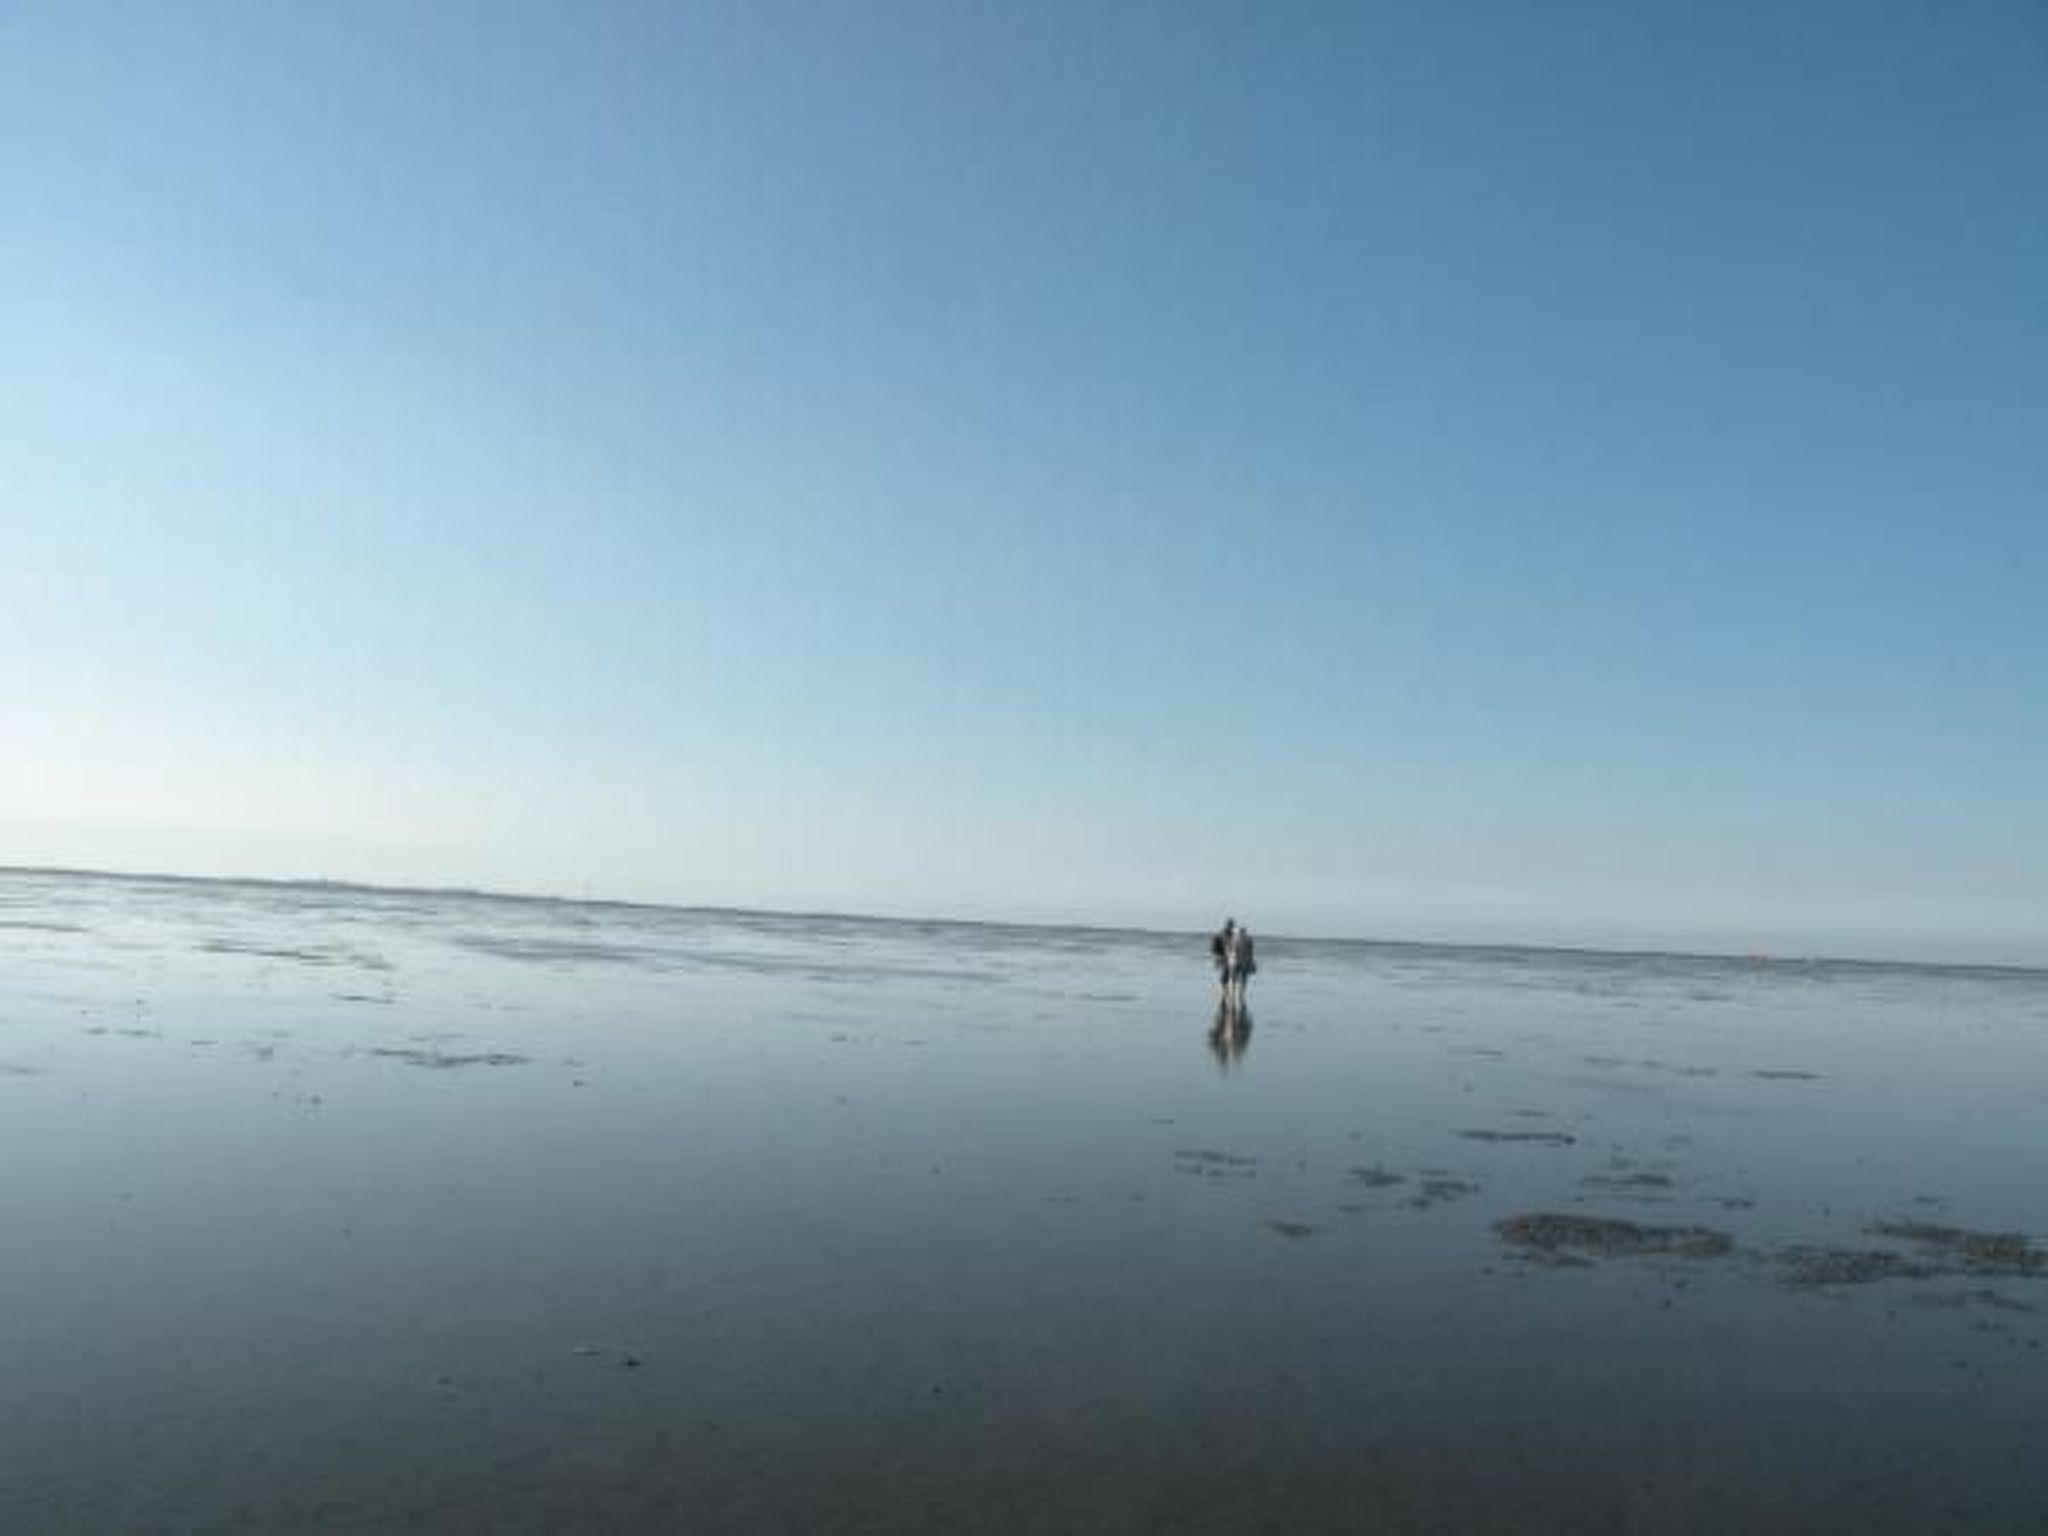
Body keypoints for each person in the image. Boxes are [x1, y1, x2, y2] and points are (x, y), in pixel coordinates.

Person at [1226, 923, 1257, 1006]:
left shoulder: (1234, 939)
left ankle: (1233, 995)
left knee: (1234, 979)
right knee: (1242, 979)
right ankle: (1240, 995)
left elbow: (1230, 951)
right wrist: (1252, 962)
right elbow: (1251, 953)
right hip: (1243, 962)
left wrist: (1230, 959)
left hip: (1236, 962)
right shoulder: (1249, 940)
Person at [1209, 918, 1236, 1000]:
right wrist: (1216, 957)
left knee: (1231, 977)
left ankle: (1227, 994)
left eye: (1231, 925)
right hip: (1223, 958)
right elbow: (1213, 948)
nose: (1231, 927)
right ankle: (1223, 994)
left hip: (1231, 958)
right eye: (1230, 925)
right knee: (1224, 976)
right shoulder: (1219, 935)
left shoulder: (1233, 935)